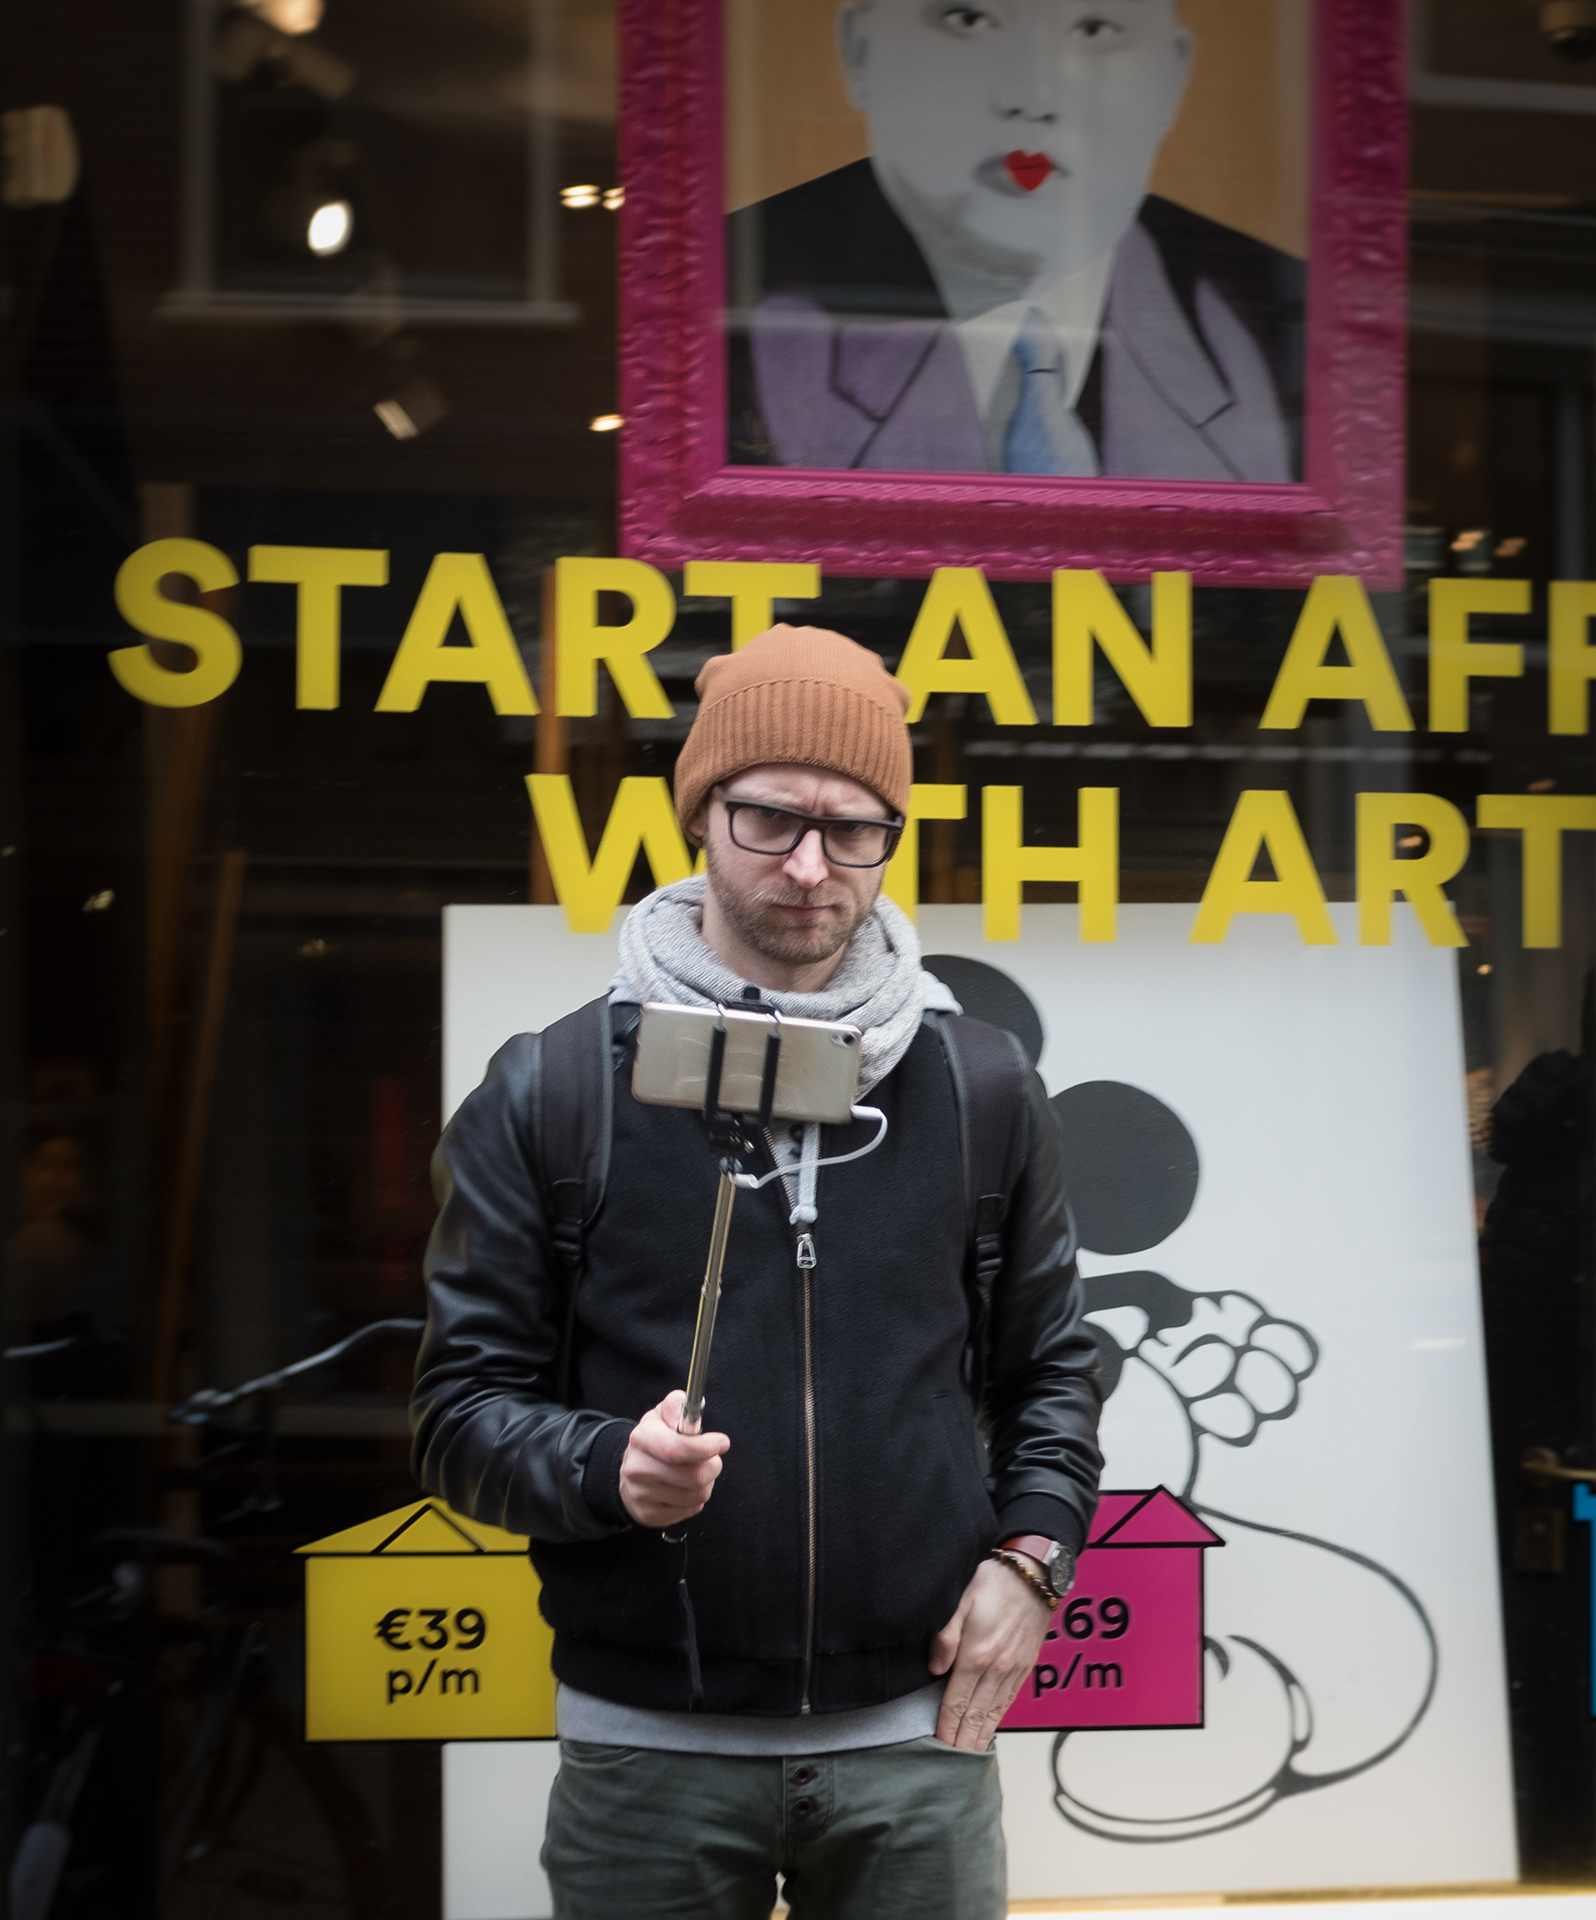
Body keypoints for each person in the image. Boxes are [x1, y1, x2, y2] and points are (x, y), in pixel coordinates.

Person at [411, 624, 1102, 1920]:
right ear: (699, 813)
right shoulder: (555, 1090)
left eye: (855, 829)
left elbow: (1052, 1368)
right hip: (646, 1757)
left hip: (920, 1745)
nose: (810, 865)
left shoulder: (983, 1088)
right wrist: (604, 1468)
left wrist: (1032, 1563)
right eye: (771, 817)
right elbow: (457, 1417)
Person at [727, 0, 1306, 482]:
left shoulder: (1272, 323)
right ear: (861, 51)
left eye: (1095, 29)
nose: (1032, 95)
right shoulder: (720, 288)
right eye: (968, 20)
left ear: (1171, 78)